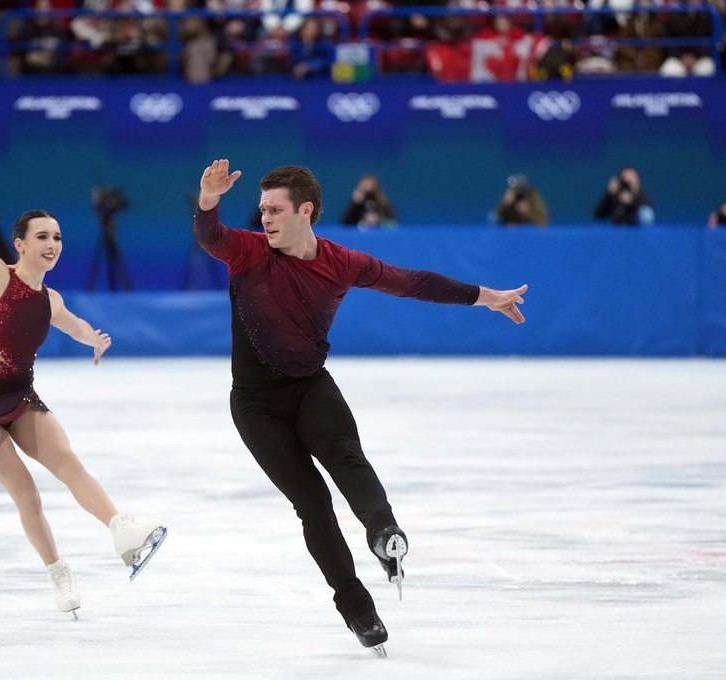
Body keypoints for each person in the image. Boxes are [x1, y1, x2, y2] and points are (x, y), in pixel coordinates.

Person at [192, 159, 528, 653]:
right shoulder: (249, 252)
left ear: (305, 211)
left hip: (310, 386)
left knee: (348, 457)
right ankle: (356, 607)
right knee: (312, 504)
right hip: (255, 404)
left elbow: (412, 282)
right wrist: (207, 200)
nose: (265, 218)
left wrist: (484, 297)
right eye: (262, 209)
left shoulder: (341, 262)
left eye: (275, 210)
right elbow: (211, 236)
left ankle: (382, 531)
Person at [0, 156, 167, 615]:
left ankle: (122, 529)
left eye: (58, 237)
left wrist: (95, 341)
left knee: (68, 463)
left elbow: (74, 324)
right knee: (28, 493)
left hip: (21, 396)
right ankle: (58, 573)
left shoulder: (52, 298)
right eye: (42, 236)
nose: (52, 244)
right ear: (20, 243)